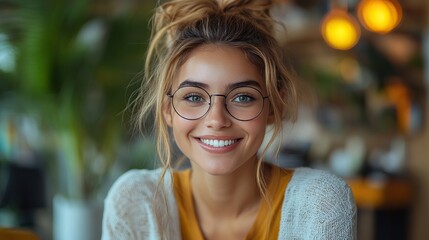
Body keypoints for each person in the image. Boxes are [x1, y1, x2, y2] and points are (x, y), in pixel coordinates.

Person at [102, 0, 357, 239]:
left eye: (243, 97)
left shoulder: (318, 204)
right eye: (193, 97)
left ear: (274, 107)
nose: (217, 119)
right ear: (167, 108)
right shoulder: (135, 202)